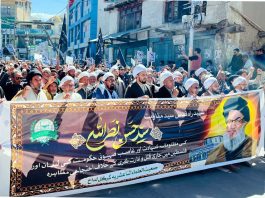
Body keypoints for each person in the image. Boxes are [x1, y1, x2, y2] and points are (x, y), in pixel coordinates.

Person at [206, 97, 256, 164]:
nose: (232, 126)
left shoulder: (251, 143)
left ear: (245, 122)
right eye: (229, 121)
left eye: (237, 121)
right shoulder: (216, 149)